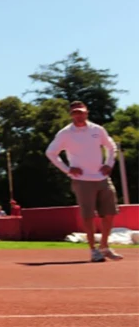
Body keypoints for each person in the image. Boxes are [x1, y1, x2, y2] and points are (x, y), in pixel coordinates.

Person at [45, 100, 123, 263]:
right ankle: (93, 250)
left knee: (109, 213)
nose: (78, 115)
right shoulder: (65, 133)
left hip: (102, 177)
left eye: (81, 112)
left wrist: (109, 164)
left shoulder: (97, 129)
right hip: (82, 180)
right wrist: (67, 169)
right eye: (75, 113)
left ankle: (104, 246)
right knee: (88, 216)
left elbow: (111, 147)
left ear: (86, 113)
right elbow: (51, 152)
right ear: (71, 115)